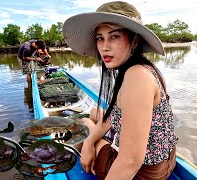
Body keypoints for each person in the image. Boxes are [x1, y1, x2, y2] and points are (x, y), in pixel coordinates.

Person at [62, 1, 178, 180]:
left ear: (135, 40)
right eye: (100, 38)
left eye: (114, 36)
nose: (104, 47)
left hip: (142, 174)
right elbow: (113, 114)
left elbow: (130, 162)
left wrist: (87, 142)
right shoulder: (142, 68)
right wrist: (89, 143)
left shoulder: (136, 76)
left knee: (85, 123)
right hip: (166, 159)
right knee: (95, 112)